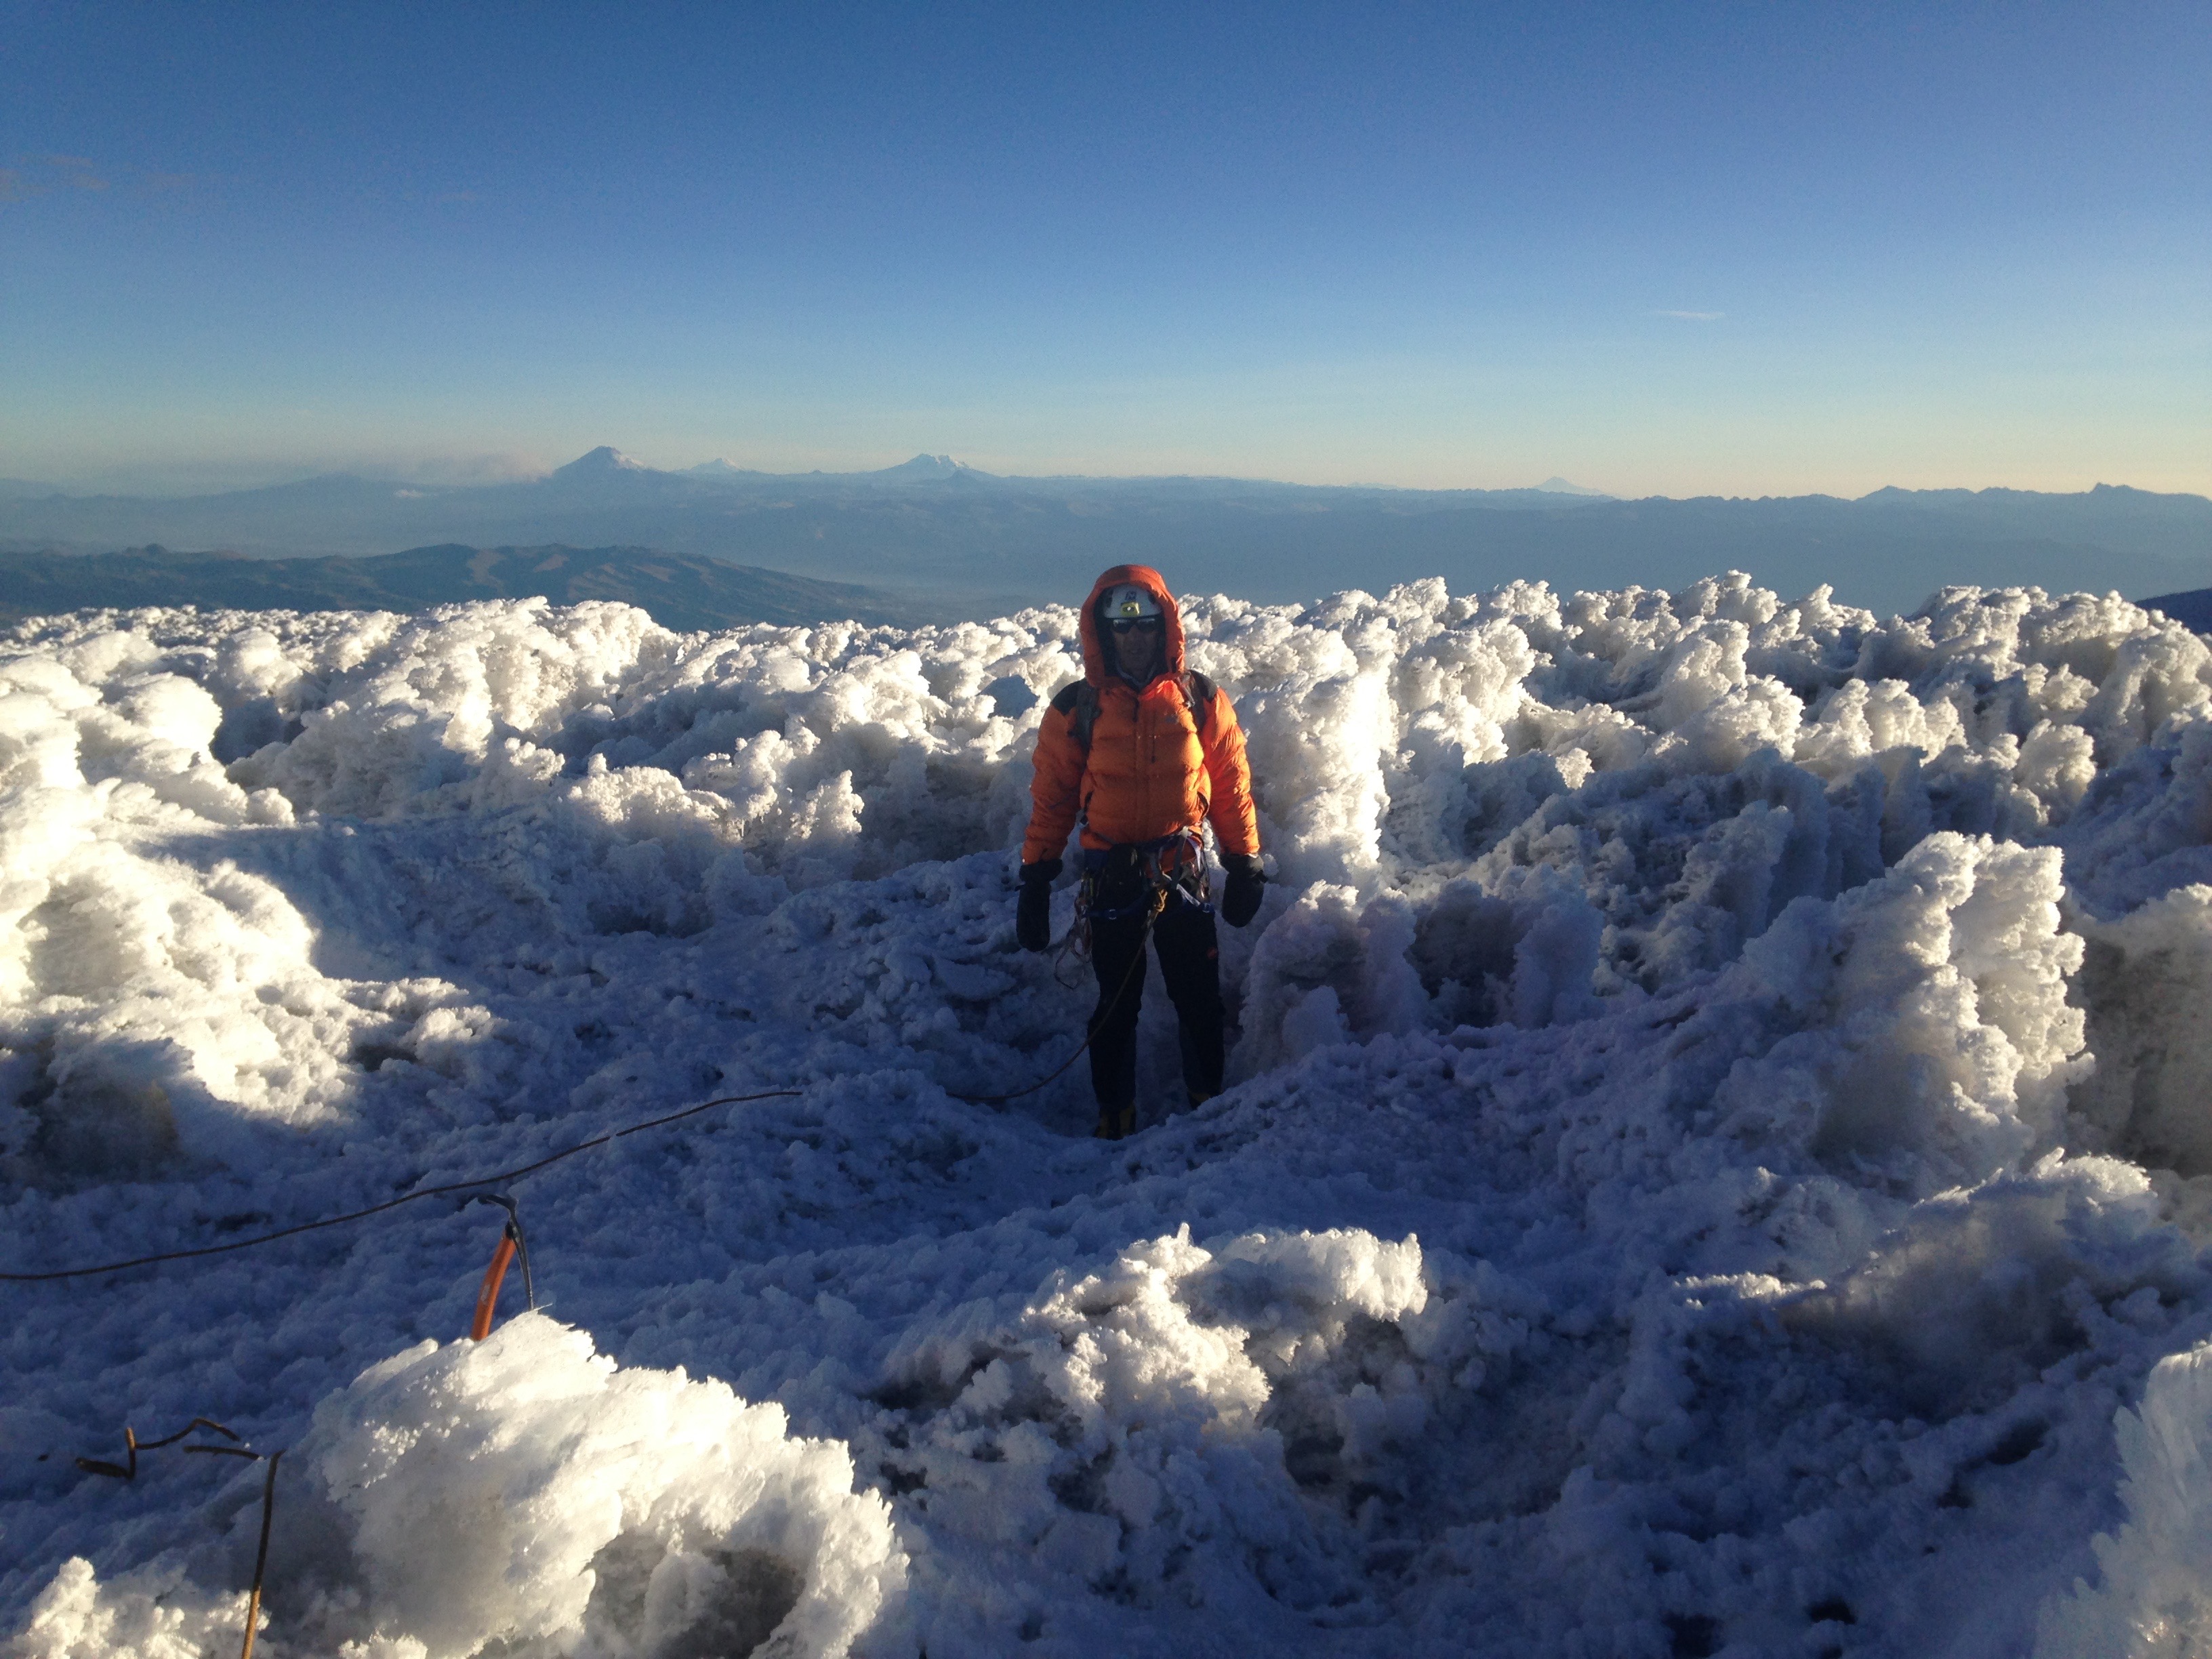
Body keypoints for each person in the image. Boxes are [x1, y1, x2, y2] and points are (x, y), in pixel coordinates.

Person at [1015, 565, 1265, 1139]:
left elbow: (1230, 784)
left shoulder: (1199, 699)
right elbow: (1052, 798)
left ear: (1164, 629)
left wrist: (1245, 860)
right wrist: (1035, 878)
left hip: (1180, 874)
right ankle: (1116, 1117)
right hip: (1113, 879)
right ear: (1102, 634)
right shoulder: (1076, 709)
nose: (1134, 638)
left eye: (1146, 626)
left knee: (1198, 1000)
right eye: (1122, 629)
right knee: (1115, 1005)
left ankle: (1208, 1109)